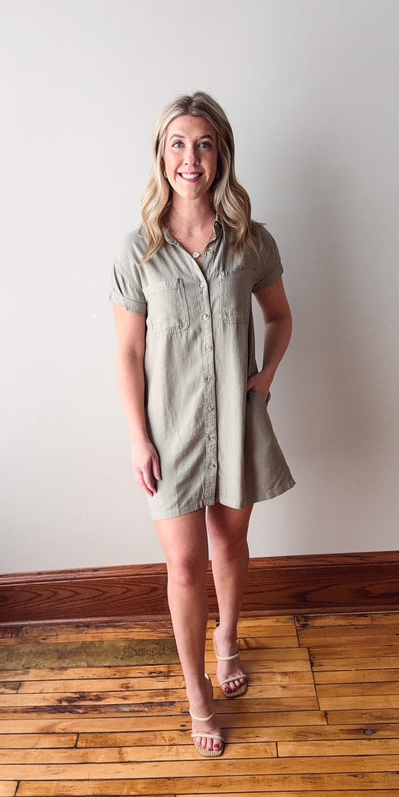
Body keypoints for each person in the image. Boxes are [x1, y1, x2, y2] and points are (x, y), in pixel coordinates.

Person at [110, 91, 295, 758]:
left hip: (237, 424)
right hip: (170, 431)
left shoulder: (251, 239)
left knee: (228, 548)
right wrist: (138, 437)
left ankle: (227, 639)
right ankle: (197, 694)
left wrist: (265, 375)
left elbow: (279, 316)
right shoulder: (139, 249)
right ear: (161, 155)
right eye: (178, 144)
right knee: (183, 563)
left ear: (221, 154)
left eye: (204, 143)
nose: (191, 157)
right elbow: (128, 353)